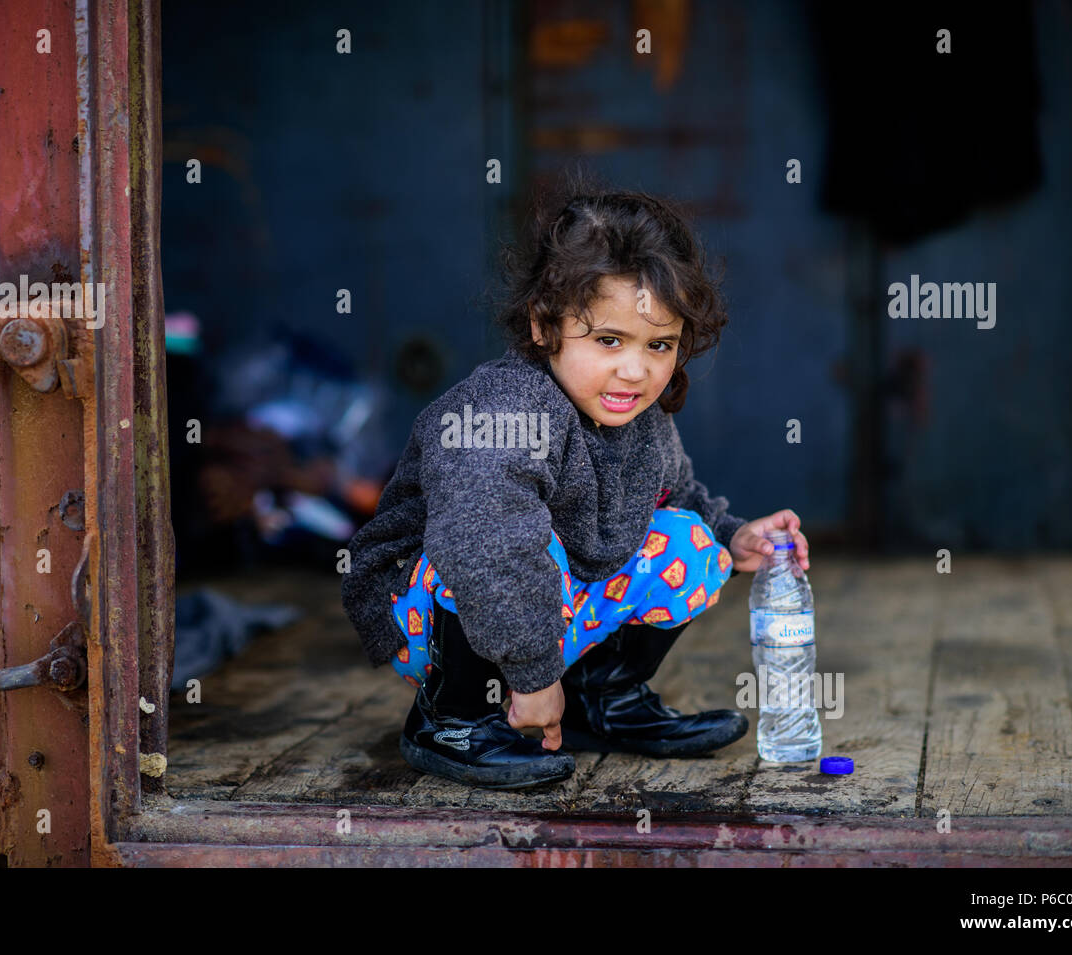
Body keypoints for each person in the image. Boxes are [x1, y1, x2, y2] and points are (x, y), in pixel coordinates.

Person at [340, 180, 810, 789]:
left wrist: (735, 534)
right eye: (609, 339)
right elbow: (485, 543)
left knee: (692, 545)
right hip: (431, 604)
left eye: (659, 344)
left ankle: (601, 699)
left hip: (540, 602)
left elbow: (673, 496)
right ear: (544, 325)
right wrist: (534, 676)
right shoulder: (502, 409)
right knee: (511, 537)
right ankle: (453, 717)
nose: (636, 370)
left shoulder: (638, 416)